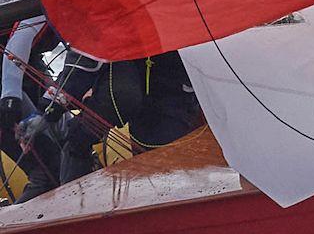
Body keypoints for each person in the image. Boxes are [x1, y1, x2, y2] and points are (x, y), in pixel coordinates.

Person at [42, 50, 203, 185]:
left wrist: (48, 110)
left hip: (174, 99)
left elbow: (82, 66)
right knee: (78, 140)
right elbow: (82, 64)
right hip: (143, 104)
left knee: (168, 172)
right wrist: (49, 109)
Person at [0, 15, 63, 203]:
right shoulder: (42, 6)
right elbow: (23, 32)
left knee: (55, 166)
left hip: (19, 79)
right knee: (46, 174)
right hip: (9, 92)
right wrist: (11, 97)